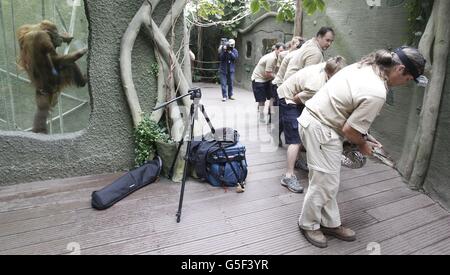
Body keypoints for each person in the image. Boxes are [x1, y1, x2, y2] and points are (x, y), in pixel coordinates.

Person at [297, 47, 426, 248]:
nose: (405, 84)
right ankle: (308, 224)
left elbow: (348, 113)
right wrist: (363, 145)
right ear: (400, 69)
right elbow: (350, 130)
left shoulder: (367, 65)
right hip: (321, 127)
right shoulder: (377, 91)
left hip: (318, 120)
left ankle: (330, 223)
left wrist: (365, 137)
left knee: (327, 179)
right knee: (324, 181)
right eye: (408, 79)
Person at [277, 56, 346, 193]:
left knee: (300, 130)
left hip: (296, 93)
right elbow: (297, 99)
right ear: (331, 73)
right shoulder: (316, 85)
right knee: (295, 139)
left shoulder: (327, 66)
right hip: (289, 99)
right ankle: (288, 176)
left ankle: (297, 160)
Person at [251, 42, 286, 122]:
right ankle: (261, 115)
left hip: (267, 79)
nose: (281, 53)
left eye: (283, 51)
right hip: (259, 79)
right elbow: (268, 73)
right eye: (280, 50)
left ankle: (269, 114)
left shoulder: (279, 57)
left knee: (271, 97)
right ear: (276, 49)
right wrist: (279, 78)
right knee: (262, 99)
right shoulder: (271, 58)